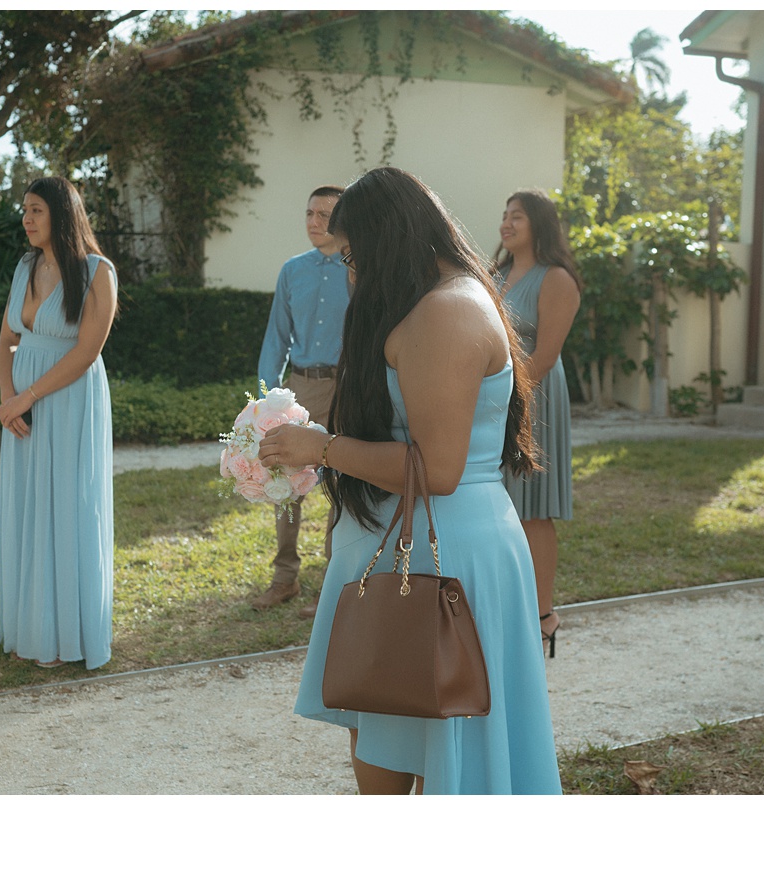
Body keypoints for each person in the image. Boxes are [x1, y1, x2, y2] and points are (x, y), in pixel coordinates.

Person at [258, 167, 561, 795]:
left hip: (440, 549)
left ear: (386, 240)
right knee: (384, 722)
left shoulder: (446, 313)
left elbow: (439, 470)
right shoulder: (433, 299)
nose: (350, 270)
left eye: (352, 254)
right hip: (411, 544)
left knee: (428, 731)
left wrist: (323, 447)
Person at [0, 177, 118, 669]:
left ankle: (69, 633)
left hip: (69, 402)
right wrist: (8, 400)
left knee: (67, 505)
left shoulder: (97, 272)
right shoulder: (25, 266)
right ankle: (32, 628)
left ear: (62, 215)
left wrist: (28, 395)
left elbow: (87, 352)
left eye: (37, 210)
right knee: (29, 507)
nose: (27, 218)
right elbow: (6, 340)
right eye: (24, 209)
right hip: (23, 409)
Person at [251, 184, 350, 617]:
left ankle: (331, 585)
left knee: (341, 486)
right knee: (286, 485)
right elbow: (277, 336)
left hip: (348, 387)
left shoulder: (359, 270)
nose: (314, 222)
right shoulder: (292, 270)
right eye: (309, 213)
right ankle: (284, 579)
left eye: (325, 215)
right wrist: (263, 399)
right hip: (300, 389)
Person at [493, 189, 582, 658]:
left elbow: (544, 356)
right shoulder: (497, 275)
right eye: (505, 216)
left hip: (535, 400)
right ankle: (504, 609)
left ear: (539, 225)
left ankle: (544, 615)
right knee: (498, 503)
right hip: (494, 400)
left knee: (534, 508)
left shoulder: (557, 279)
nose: (506, 224)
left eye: (518, 217)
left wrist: (498, 399)